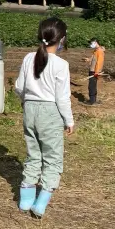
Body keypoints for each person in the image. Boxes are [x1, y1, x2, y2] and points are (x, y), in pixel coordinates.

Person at [14, 18, 75, 218]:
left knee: (33, 154)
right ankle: (40, 203)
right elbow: (62, 97)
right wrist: (69, 120)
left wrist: (26, 102)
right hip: (50, 112)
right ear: (62, 39)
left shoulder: (28, 58)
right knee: (53, 158)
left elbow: (19, 87)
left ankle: (25, 201)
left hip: (29, 109)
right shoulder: (61, 64)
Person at [84, 37, 105, 105]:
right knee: (92, 86)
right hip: (92, 71)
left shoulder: (100, 51)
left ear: (96, 42)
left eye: (91, 43)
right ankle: (93, 100)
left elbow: (99, 62)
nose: (90, 44)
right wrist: (88, 59)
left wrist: (97, 72)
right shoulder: (96, 51)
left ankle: (92, 102)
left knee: (92, 86)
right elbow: (93, 58)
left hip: (94, 72)